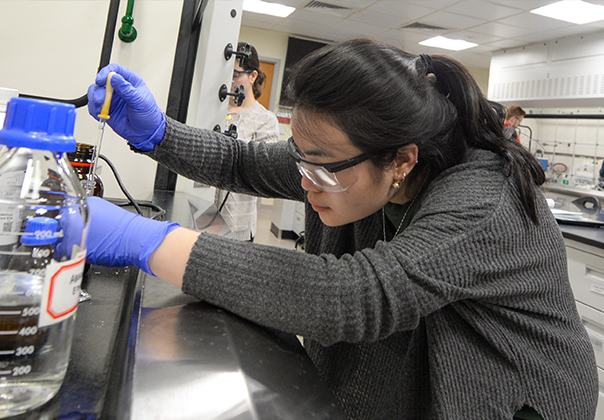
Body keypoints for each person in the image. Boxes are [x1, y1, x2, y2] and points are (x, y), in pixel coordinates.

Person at [84, 39, 596, 419]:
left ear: (402, 161)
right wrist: (158, 133)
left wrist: (146, 240)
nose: (305, 180)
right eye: (301, 159)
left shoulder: (484, 200)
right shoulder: (345, 160)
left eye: (322, 169)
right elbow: (243, 162)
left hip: (511, 399)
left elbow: (352, 295)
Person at [203, 41, 280, 241]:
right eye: (227, 74)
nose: (230, 81)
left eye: (236, 75)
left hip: (238, 225)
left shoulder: (266, 120)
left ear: (253, 76)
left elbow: (263, 173)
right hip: (202, 217)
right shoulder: (214, 112)